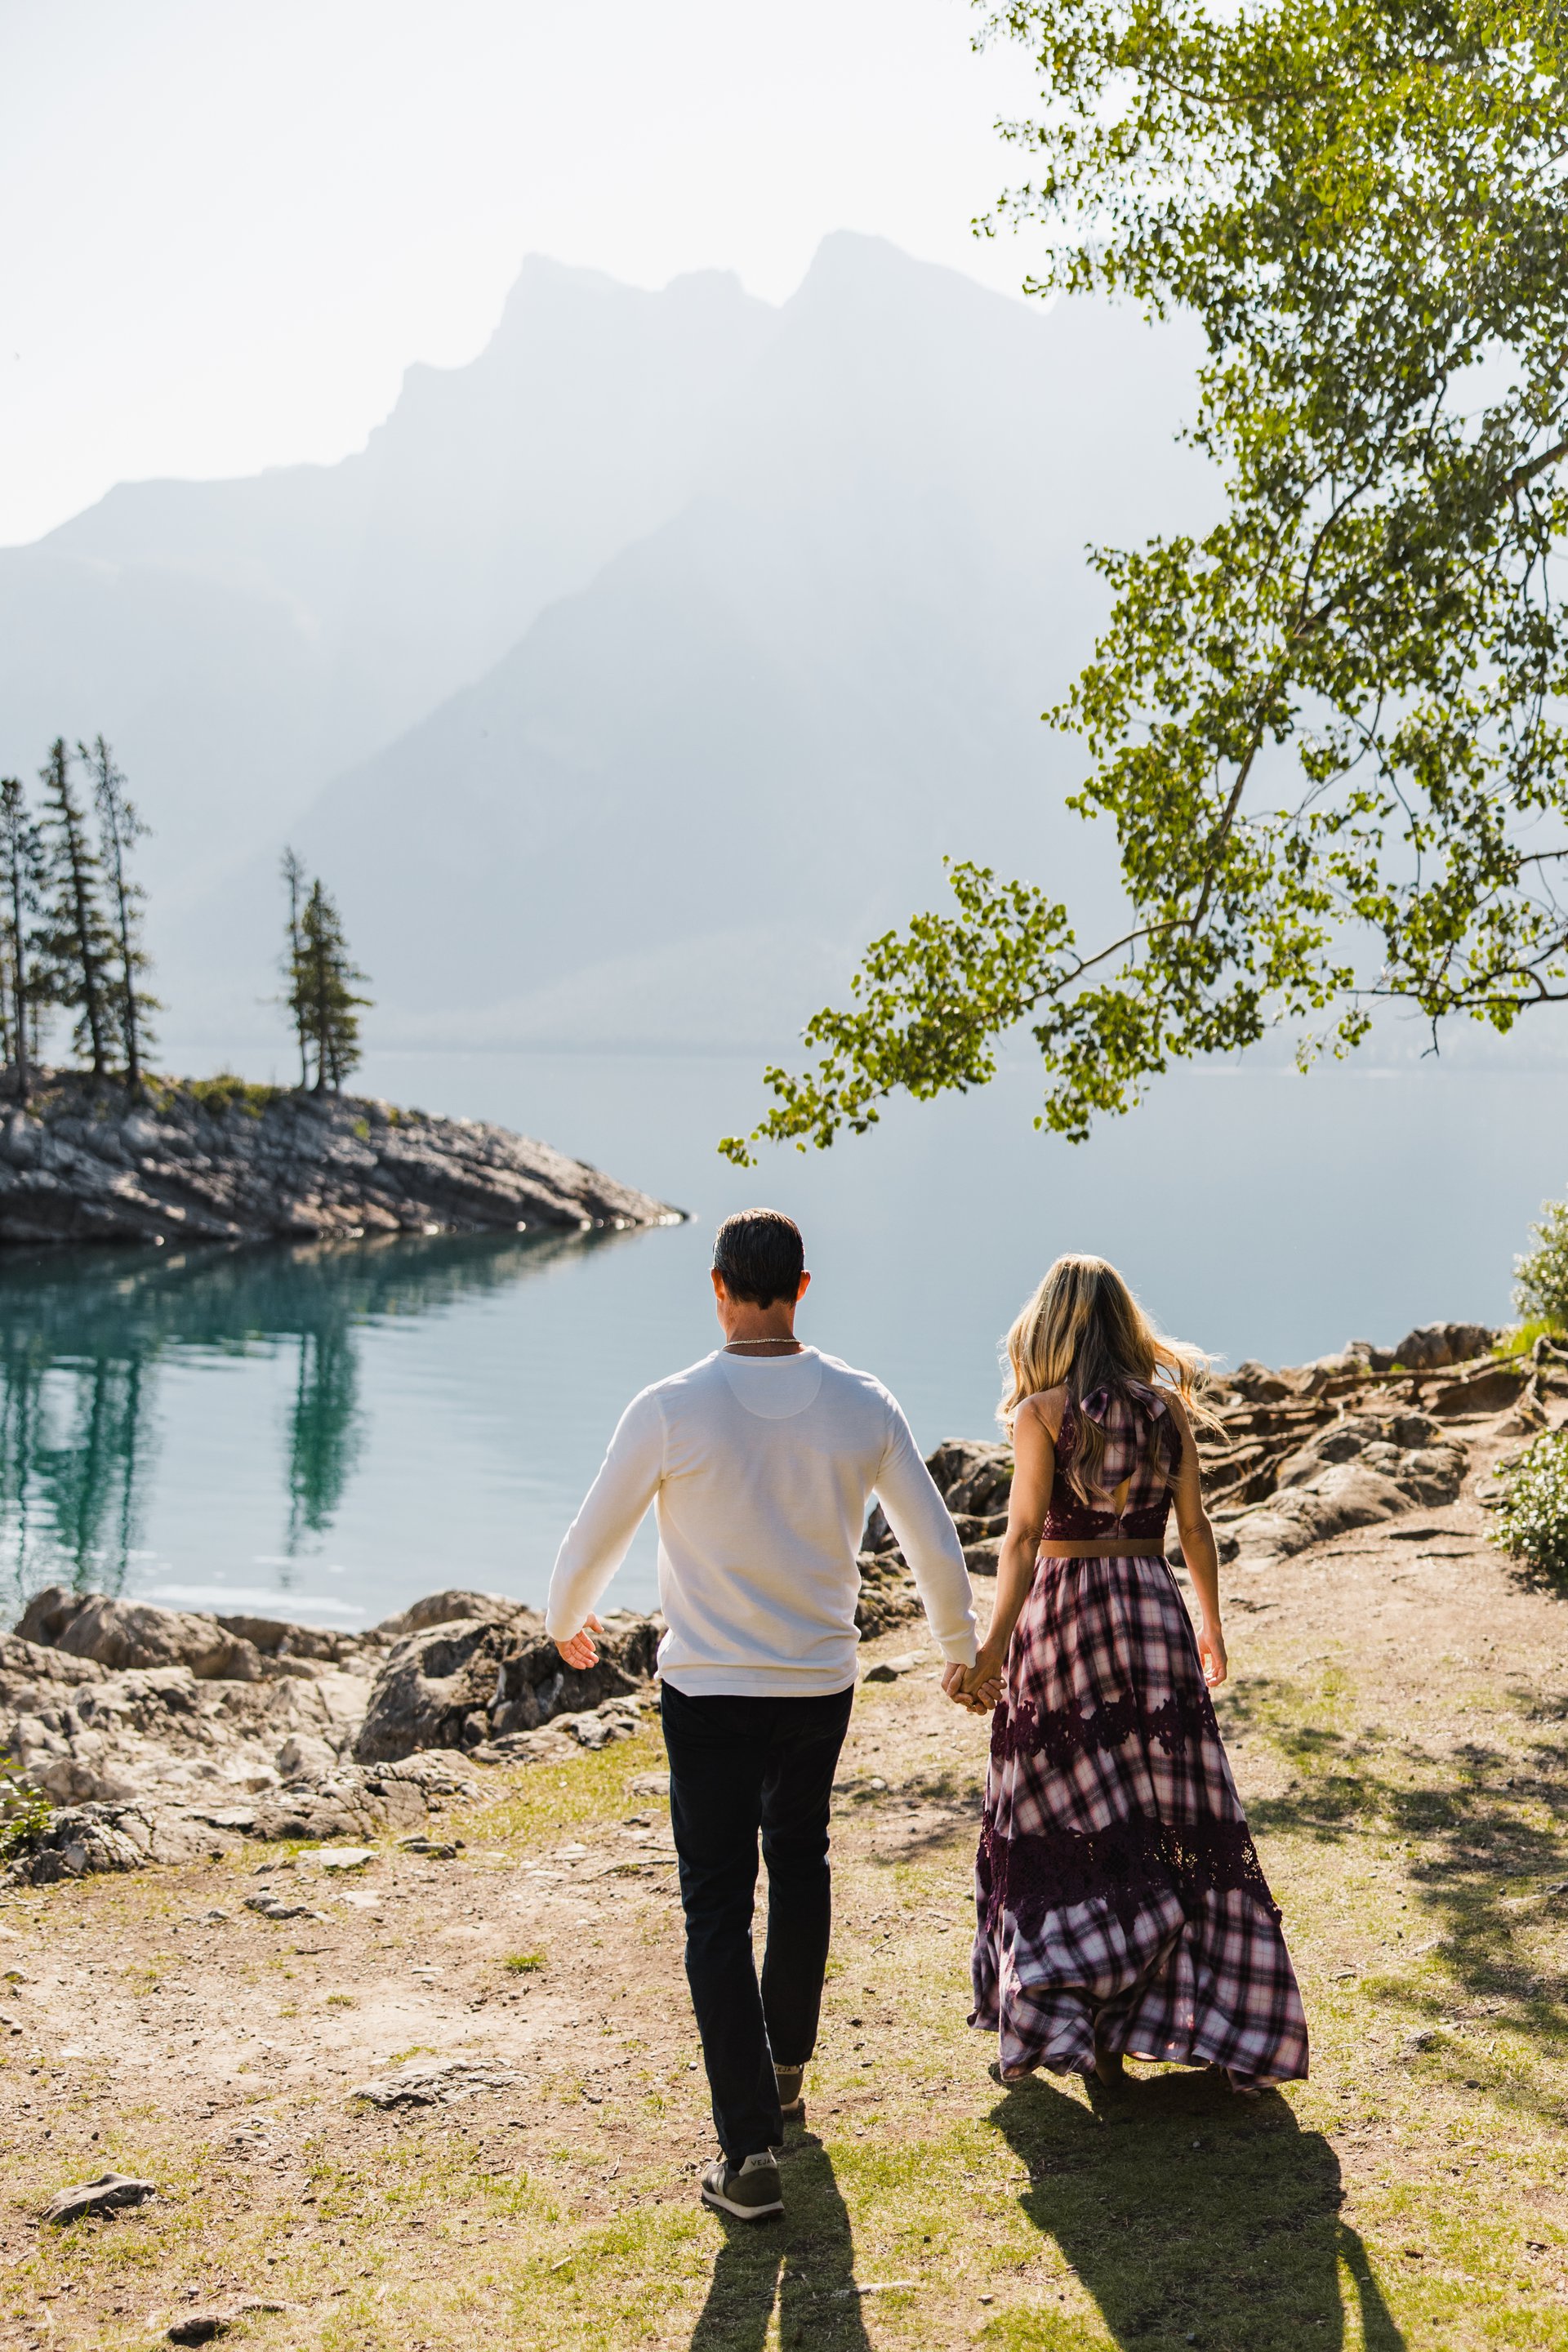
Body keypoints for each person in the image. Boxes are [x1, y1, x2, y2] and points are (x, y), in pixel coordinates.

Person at [546, 1207, 978, 2221]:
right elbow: (933, 1537)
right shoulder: (861, 1403)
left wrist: (567, 1617)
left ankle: (747, 2155)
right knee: (801, 1860)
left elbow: (591, 1533)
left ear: (716, 1287)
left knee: (715, 1907)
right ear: (802, 1288)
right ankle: (784, 2076)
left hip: (707, 1692)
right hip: (817, 1685)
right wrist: (956, 1648)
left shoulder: (671, 1407)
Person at [947, 1254, 1308, 2092]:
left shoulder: (1043, 1413)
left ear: (1051, 1326)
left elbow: (1024, 1537)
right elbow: (1196, 1526)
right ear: (1123, 1324)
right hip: (1149, 1610)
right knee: (1163, 1804)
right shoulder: (1166, 1411)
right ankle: (1177, 2004)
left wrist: (992, 1648)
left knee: (1060, 1806)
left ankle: (1080, 2011)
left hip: (1066, 1616)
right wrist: (1211, 1623)